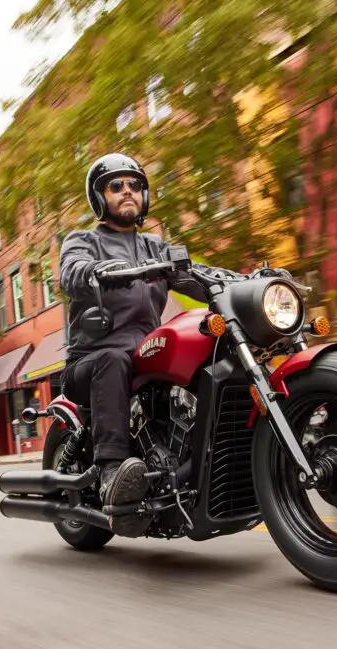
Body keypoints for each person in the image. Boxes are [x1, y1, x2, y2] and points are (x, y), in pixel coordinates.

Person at [58, 153, 233, 537]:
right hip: (90, 362)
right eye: (116, 186)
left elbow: (194, 278)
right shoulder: (83, 241)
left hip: (142, 357)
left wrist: (240, 282)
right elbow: (71, 273)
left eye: (134, 185)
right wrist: (96, 271)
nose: (127, 192)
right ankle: (110, 473)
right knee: (112, 359)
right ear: (100, 197)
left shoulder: (155, 247)